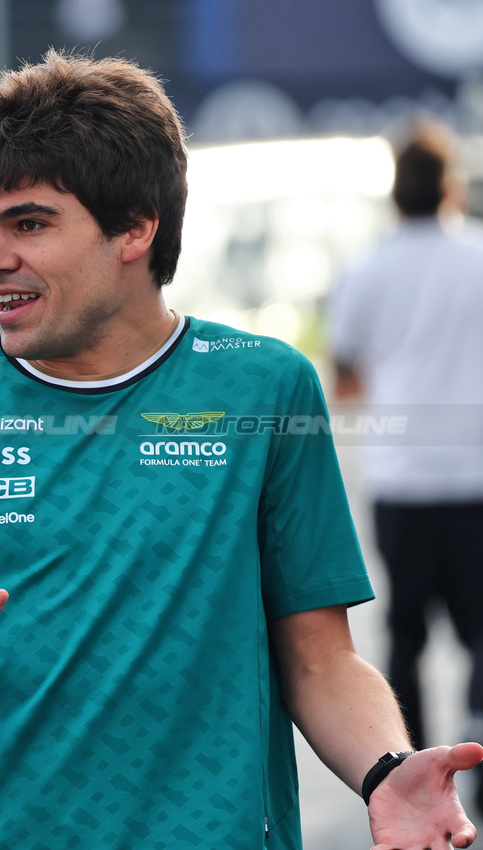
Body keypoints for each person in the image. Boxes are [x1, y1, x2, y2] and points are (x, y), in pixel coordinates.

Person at [0, 51, 483, 849]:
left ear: (134, 227)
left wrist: (384, 767)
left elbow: (318, 661)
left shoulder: (262, 388)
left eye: (28, 222)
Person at [329, 121, 483, 774]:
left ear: (394, 195)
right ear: (450, 188)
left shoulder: (365, 269)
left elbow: (345, 378)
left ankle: (414, 767)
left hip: (400, 480)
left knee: (404, 634)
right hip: (475, 475)